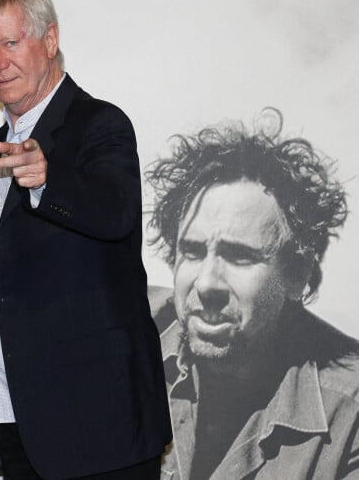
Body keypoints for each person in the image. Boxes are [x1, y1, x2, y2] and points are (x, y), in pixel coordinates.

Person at [0, 0, 171, 480]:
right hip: (16, 422)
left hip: (98, 427)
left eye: (11, 42)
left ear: (50, 39)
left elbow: (115, 211)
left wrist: (45, 182)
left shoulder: (98, 123)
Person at [146, 112, 359, 480]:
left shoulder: (349, 415)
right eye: (192, 252)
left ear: (297, 275)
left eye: (240, 256)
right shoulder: (116, 338)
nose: (207, 283)